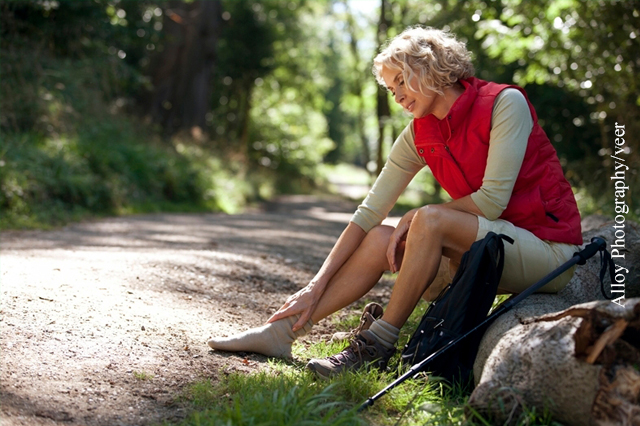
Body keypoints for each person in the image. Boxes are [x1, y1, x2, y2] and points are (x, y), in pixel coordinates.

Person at [207, 26, 583, 379]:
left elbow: (492, 202)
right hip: (486, 245)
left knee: (430, 220)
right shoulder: (419, 133)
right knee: (378, 236)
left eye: (402, 80)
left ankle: (377, 344)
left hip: (548, 252)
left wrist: (418, 216)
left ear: (431, 68)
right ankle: (281, 333)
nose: (398, 95)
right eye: (390, 88)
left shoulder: (504, 103)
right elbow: (369, 212)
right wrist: (317, 283)